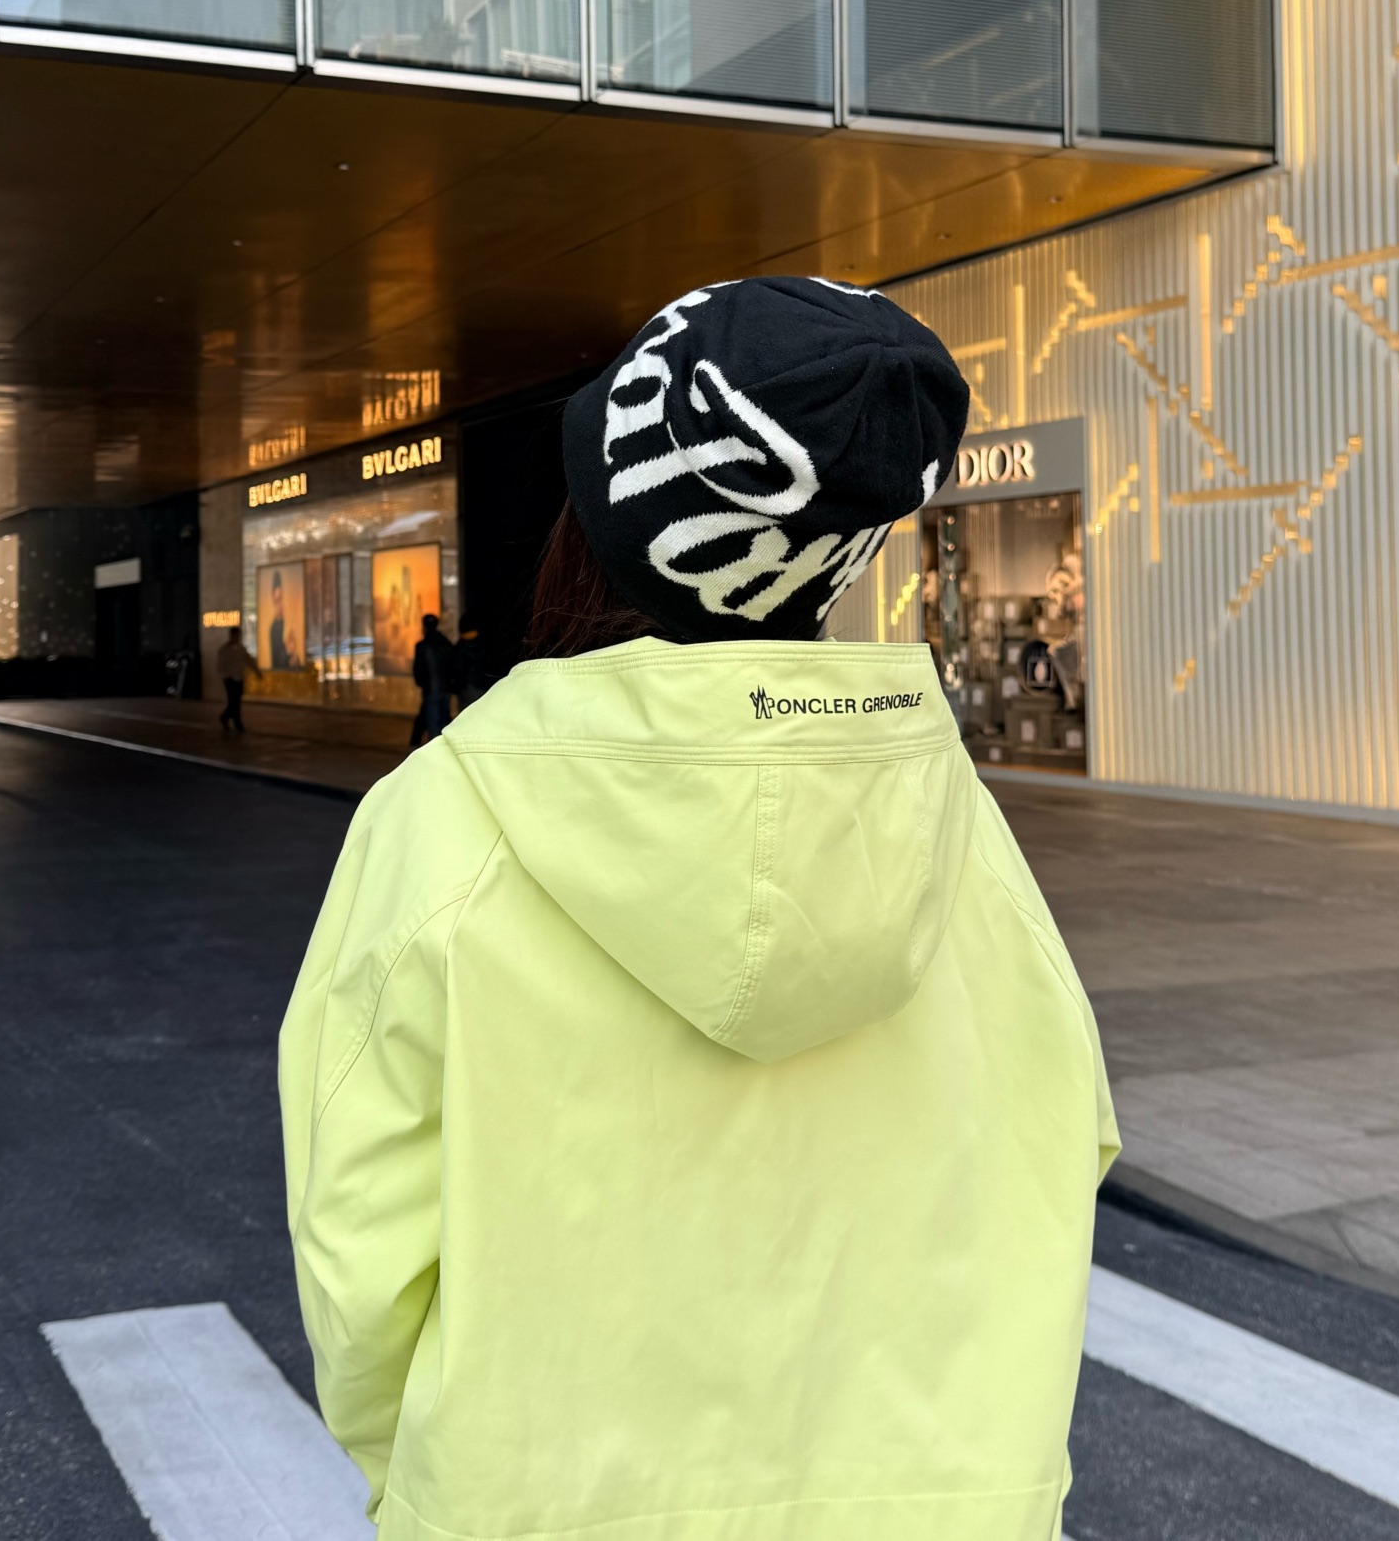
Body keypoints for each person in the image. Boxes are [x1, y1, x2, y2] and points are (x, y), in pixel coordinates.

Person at [281, 278, 1118, 1541]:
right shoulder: (955, 824)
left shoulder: (442, 819)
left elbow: (358, 1250)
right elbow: (1067, 1143)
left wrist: (432, 1479)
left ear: (609, 522)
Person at [408, 611, 455, 748]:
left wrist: (423, 684)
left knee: (433, 725)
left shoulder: (422, 646)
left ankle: (433, 750)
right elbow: (453, 666)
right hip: (445, 690)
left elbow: (418, 670)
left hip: (430, 691)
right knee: (443, 722)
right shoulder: (446, 644)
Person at [215, 624, 258, 734]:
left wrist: (256, 670)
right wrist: (225, 676)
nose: (237, 637)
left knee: (236, 701)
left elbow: (248, 660)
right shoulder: (224, 650)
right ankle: (234, 721)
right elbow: (220, 665)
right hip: (230, 679)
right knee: (233, 701)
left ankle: (228, 718)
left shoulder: (240, 648)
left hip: (239, 678)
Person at [451, 608, 486, 714]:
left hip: (467, 689)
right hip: (483, 686)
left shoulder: (461, 647)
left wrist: (455, 687)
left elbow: (458, 670)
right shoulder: (483, 643)